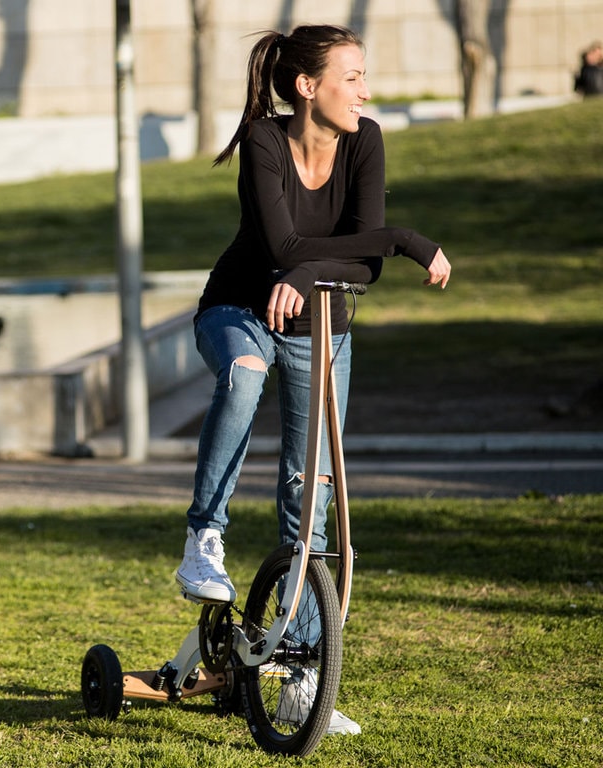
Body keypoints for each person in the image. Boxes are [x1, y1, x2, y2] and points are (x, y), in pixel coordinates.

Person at [173, 24, 451, 734]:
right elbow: (290, 245)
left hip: (321, 327)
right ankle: (204, 537)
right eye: (351, 76)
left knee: (312, 497)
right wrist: (401, 238)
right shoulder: (265, 142)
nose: (365, 90)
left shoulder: (365, 139)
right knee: (242, 371)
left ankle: (300, 679)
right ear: (307, 87)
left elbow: (361, 269)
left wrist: (319, 266)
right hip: (239, 309)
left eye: (363, 76)